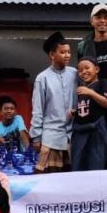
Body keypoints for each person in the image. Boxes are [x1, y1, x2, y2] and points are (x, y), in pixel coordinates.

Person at [30, 31, 77, 173]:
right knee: (50, 182)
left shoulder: (75, 73)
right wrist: (36, 137)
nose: (67, 55)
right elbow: (37, 110)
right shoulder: (42, 78)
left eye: (69, 52)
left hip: (73, 137)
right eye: (63, 52)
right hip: (51, 139)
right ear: (52, 55)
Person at [69, 56, 107, 171]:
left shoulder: (103, 83)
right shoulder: (82, 88)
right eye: (80, 70)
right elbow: (86, 108)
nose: (84, 72)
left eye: (87, 68)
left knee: (95, 164)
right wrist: (75, 112)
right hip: (80, 131)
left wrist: (91, 92)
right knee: (79, 164)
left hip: (96, 132)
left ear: (97, 69)